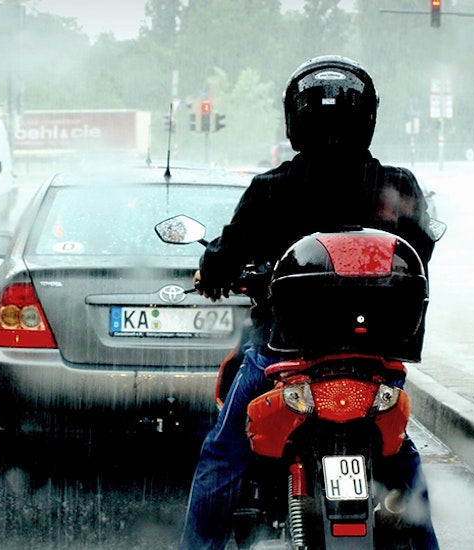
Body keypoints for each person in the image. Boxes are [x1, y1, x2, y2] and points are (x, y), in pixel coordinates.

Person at [179, 55, 441, 550]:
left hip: (284, 358)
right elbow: (421, 253)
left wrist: (210, 273)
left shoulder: (272, 190)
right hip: (373, 361)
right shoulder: (398, 186)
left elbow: (224, 257)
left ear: (294, 121)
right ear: (368, 119)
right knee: (403, 461)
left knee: (223, 454)